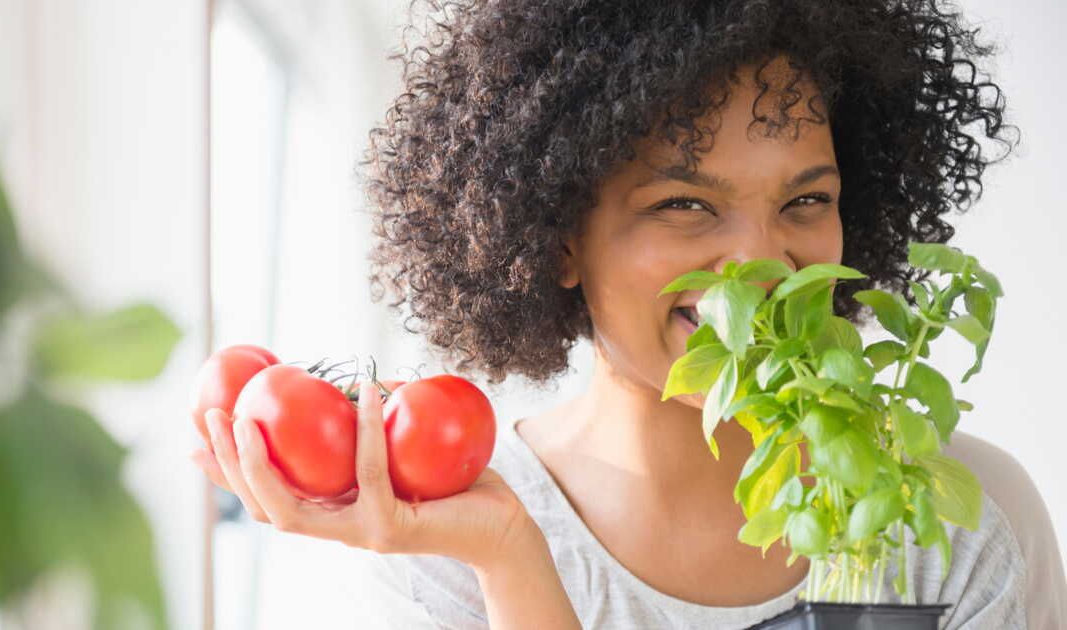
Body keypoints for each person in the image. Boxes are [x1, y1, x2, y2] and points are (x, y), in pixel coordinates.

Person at [192, 0, 1067, 627]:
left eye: (806, 200)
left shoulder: (962, 520)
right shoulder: (437, 562)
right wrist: (508, 555)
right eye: (685, 205)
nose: (762, 265)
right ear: (560, 238)